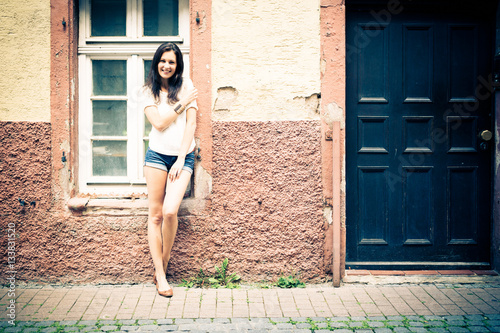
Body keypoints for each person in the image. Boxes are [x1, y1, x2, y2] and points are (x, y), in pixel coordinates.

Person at [140, 42, 198, 297]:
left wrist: (180, 157)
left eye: (172, 62)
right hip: (156, 156)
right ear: (156, 62)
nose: (166, 65)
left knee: (170, 211)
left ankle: (162, 264)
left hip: (182, 158)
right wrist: (181, 104)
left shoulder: (186, 85)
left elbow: (191, 125)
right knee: (155, 216)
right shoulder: (148, 91)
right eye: (163, 61)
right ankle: (161, 276)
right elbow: (160, 123)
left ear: (177, 65)